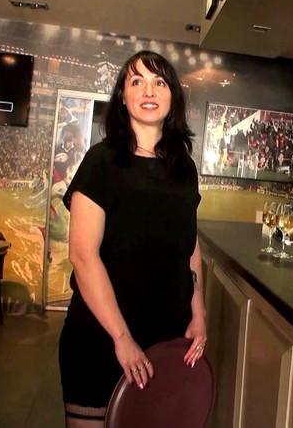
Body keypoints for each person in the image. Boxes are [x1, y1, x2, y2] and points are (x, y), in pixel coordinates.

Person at [58, 50, 207, 427]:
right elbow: (83, 256)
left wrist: (199, 311)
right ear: (122, 97)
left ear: (173, 97)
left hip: (166, 339)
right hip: (101, 337)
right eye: (136, 81)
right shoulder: (101, 161)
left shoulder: (184, 169)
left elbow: (190, 247)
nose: (148, 90)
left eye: (159, 82)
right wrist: (121, 338)